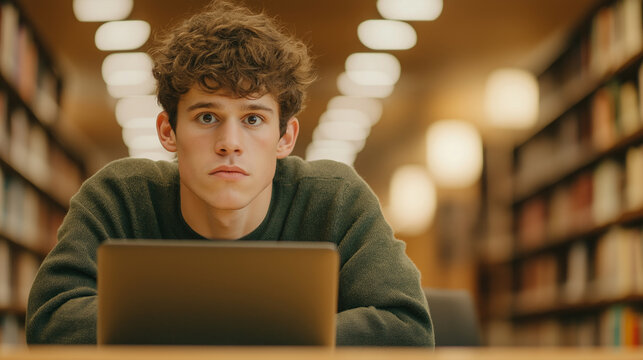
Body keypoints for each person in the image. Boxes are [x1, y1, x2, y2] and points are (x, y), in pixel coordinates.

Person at [26, 0, 434, 346]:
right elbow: (50, 320)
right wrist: (259, 329)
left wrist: (205, 327)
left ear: (285, 138)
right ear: (168, 131)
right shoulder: (118, 197)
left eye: (254, 119)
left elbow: (408, 329)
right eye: (207, 116)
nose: (230, 142)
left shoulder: (337, 199)